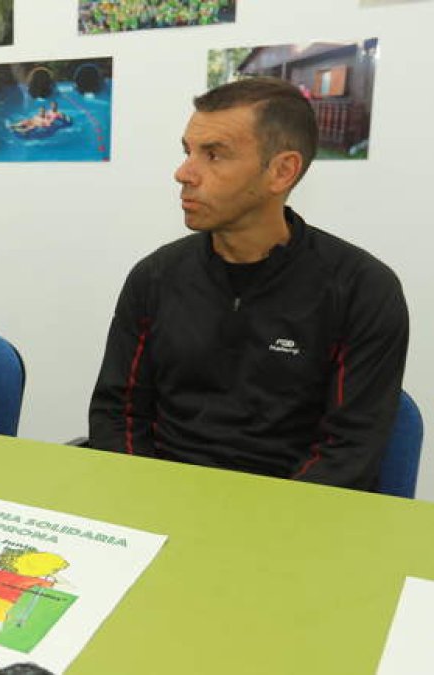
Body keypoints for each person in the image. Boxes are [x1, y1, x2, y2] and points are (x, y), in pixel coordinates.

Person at [88, 77, 409, 490]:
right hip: (159, 499)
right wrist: (143, 499)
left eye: (214, 155)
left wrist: (256, 532)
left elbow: (348, 453)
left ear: (281, 171)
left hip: (289, 519)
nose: (183, 173)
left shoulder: (362, 290)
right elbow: (118, 414)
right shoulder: (154, 277)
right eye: (188, 152)